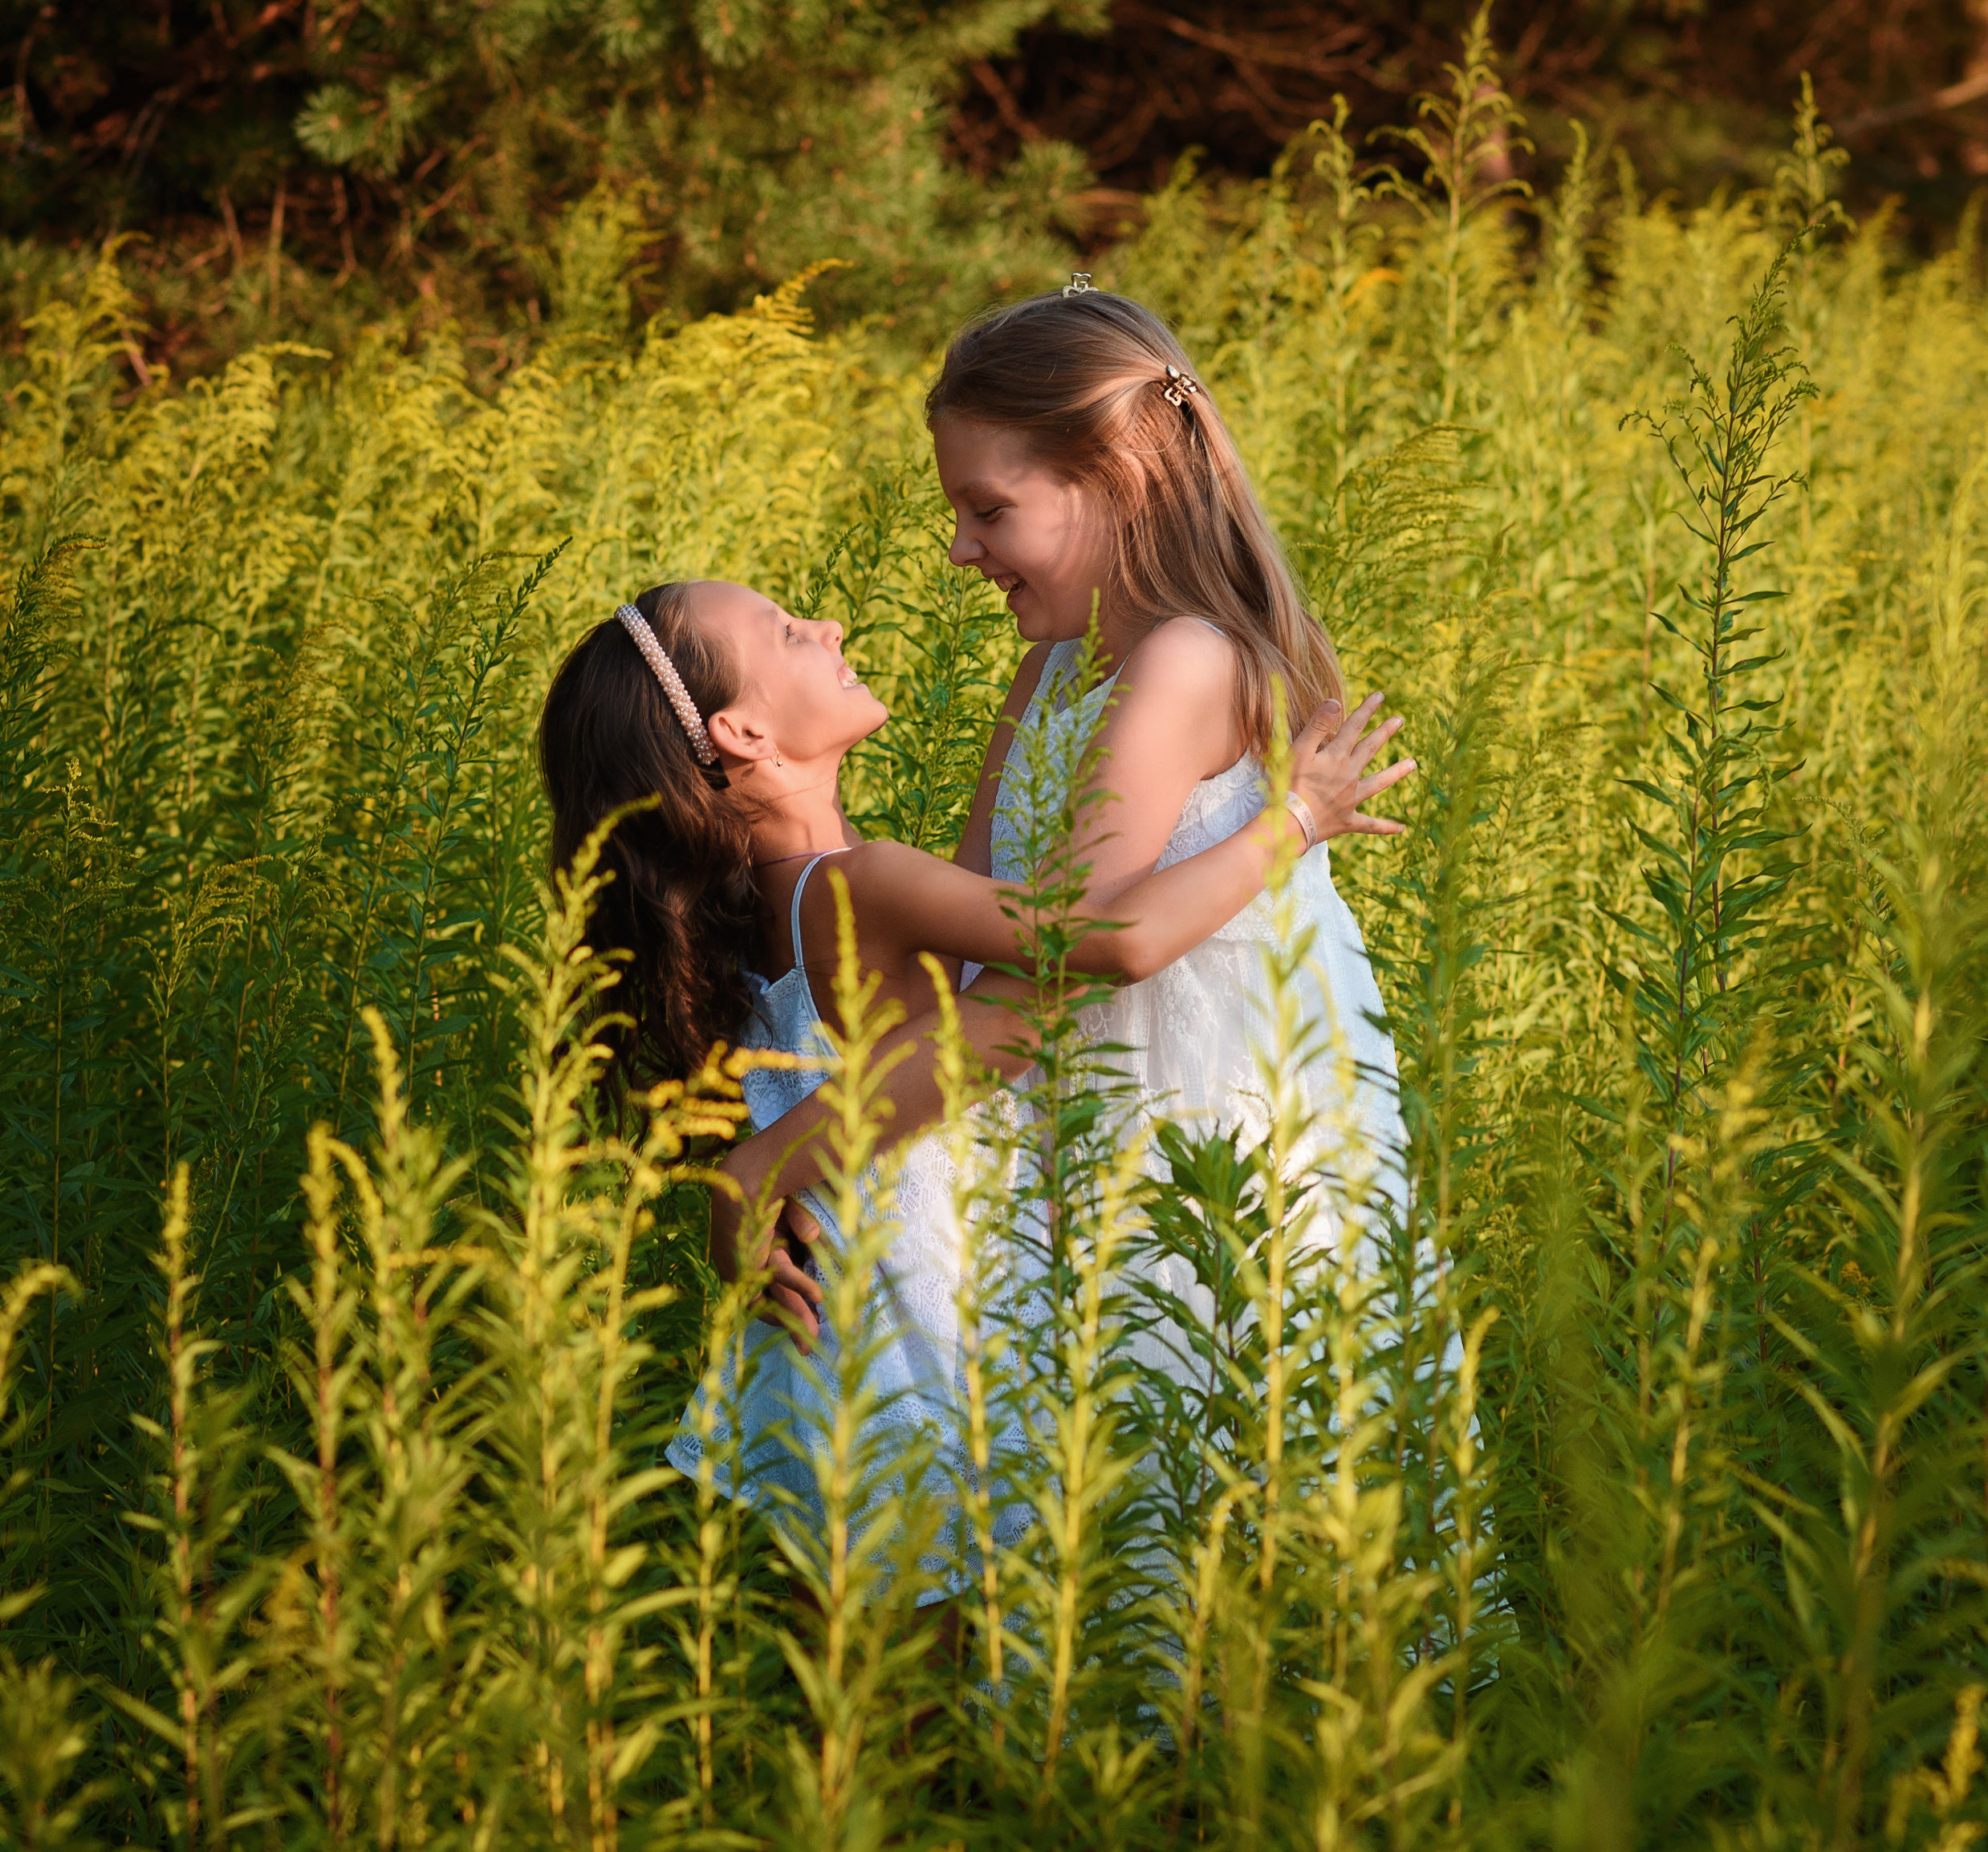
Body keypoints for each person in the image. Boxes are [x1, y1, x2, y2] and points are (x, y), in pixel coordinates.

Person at [534, 580, 1409, 1578]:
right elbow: (1100, 941)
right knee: (936, 1679)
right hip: (921, 1325)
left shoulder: (785, 903)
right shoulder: (862, 886)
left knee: (883, 1684)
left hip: (845, 1319)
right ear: (740, 733)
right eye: (787, 632)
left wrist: (1051, 652)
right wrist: (1298, 815)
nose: (829, 624)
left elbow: (985, 864)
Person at [717, 287, 1413, 1346]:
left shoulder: (1185, 661)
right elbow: (970, 943)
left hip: (1204, 1126)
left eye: (989, 510)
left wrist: (778, 1156)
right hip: (1073, 1119)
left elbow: (1059, 966)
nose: (961, 548)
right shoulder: (1053, 666)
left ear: (1117, 481)